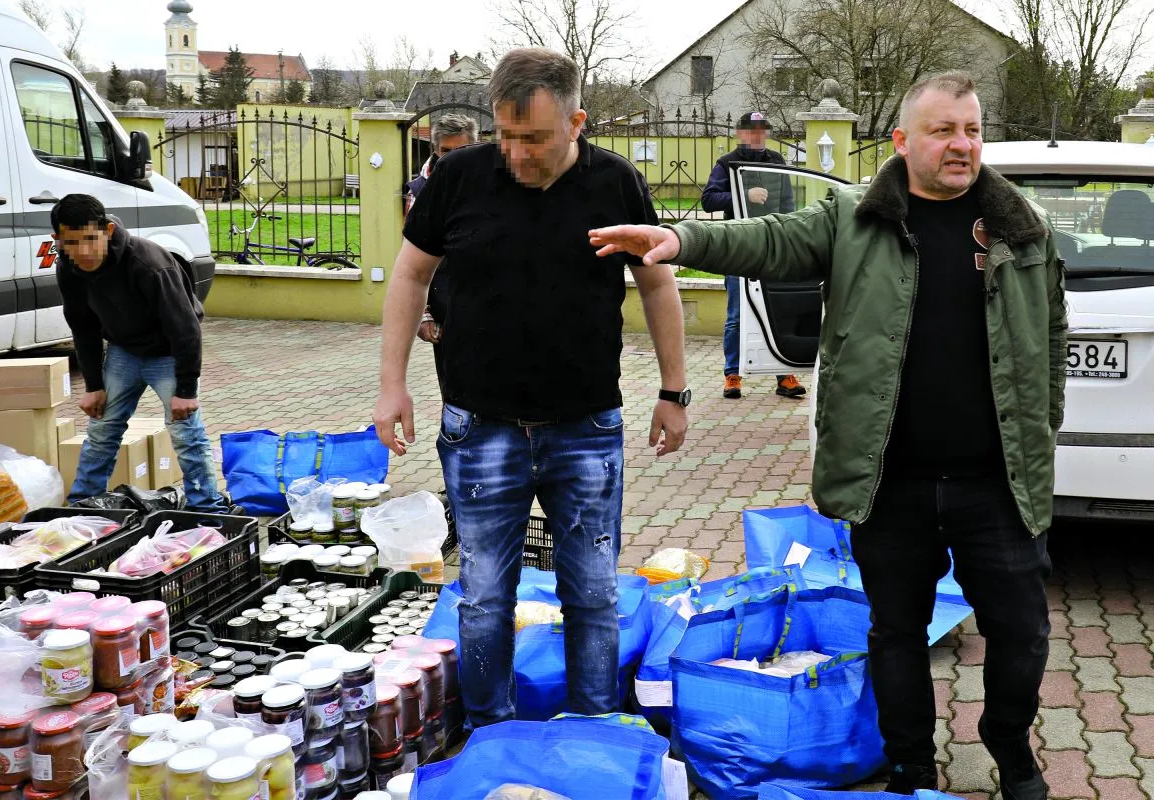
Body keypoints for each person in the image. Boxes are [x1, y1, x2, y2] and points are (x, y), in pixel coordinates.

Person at [589, 71, 1064, 800]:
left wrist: (1044, 423)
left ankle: (1009, 740)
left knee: (1024, 631)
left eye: (971, 130)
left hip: (994, 481)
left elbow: (1052, 335)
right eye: (944, 131)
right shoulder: (853, 217)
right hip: (890, 478)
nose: (962, 145)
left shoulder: (1021, 226)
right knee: (895, 633)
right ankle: (908, 763)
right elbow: (766, 241)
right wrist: (679, 238)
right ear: (903, 142)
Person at [373, 47, 689, 729]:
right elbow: (408, 277)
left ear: (577, 121)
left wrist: (675, 390)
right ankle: (492, 732)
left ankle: (594, 728)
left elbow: (658, 284)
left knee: (594, 594)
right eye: (505, 135)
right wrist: (391, 385)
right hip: (480, 425)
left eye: (535, 138)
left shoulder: (616, 184)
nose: (516, 154)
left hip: (586, 428)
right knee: (485, 595)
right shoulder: (458, 178)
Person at [52, 193, 228, 513]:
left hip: (169, 354)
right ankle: (82, 508)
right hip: (124, 352)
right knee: (102, 431)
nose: (85, 251)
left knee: (187, 435)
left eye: (91, 239)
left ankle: (208, 511)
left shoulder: (148, 262)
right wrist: (93, 386)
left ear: (106, 230)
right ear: (58, 240)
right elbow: (83, 328)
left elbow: (185, 327)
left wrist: (185, 389)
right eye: (73, 242)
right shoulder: (68, 269)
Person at [701, 111, 804, 399]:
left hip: (773, 245)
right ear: (741, 134)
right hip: (739, 247)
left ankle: (785, 375)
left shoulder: (777, 162)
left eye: (762, 130)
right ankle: (732, 375)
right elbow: (708, 200)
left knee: (779, 309)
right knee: (737, 314)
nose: (757, 135)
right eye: (751, 131)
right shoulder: (727, 163)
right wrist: (744, 195)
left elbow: (788, 203)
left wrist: (791, 235)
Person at [404, 113, 480, 388]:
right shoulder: (420, 192)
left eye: (460, 151)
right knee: (456, 395)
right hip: (448, 311)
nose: (452, 159)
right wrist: (423, 315)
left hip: (495, 308)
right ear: (435, 150)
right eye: (446, 152)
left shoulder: (494, 184)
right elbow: (412, 263)